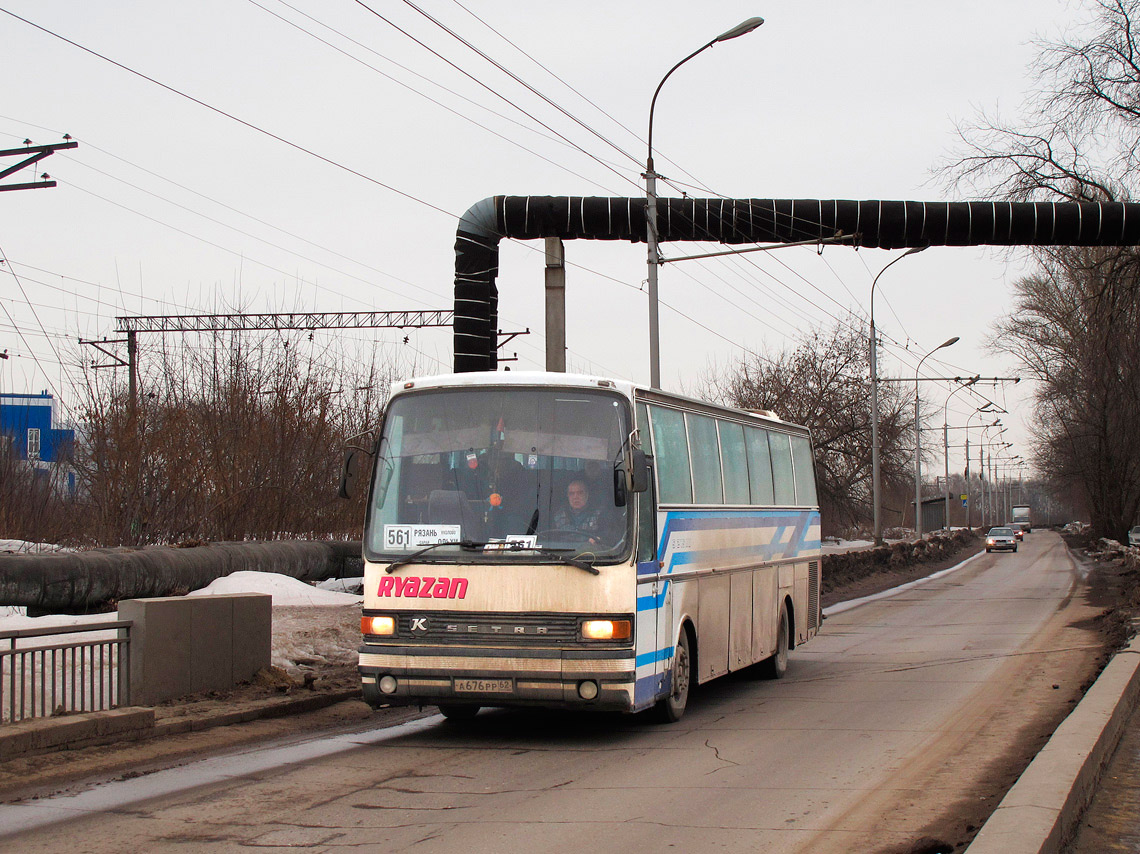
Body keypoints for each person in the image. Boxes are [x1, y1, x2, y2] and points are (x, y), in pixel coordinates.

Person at [553, 478, 610, 545]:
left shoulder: (600, 515)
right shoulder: (558, 516)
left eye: (580, 493)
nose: (575, 497)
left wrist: (599, 539)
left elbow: (608, 537)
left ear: (587, 494)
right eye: (571, 493)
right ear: (567, 496)